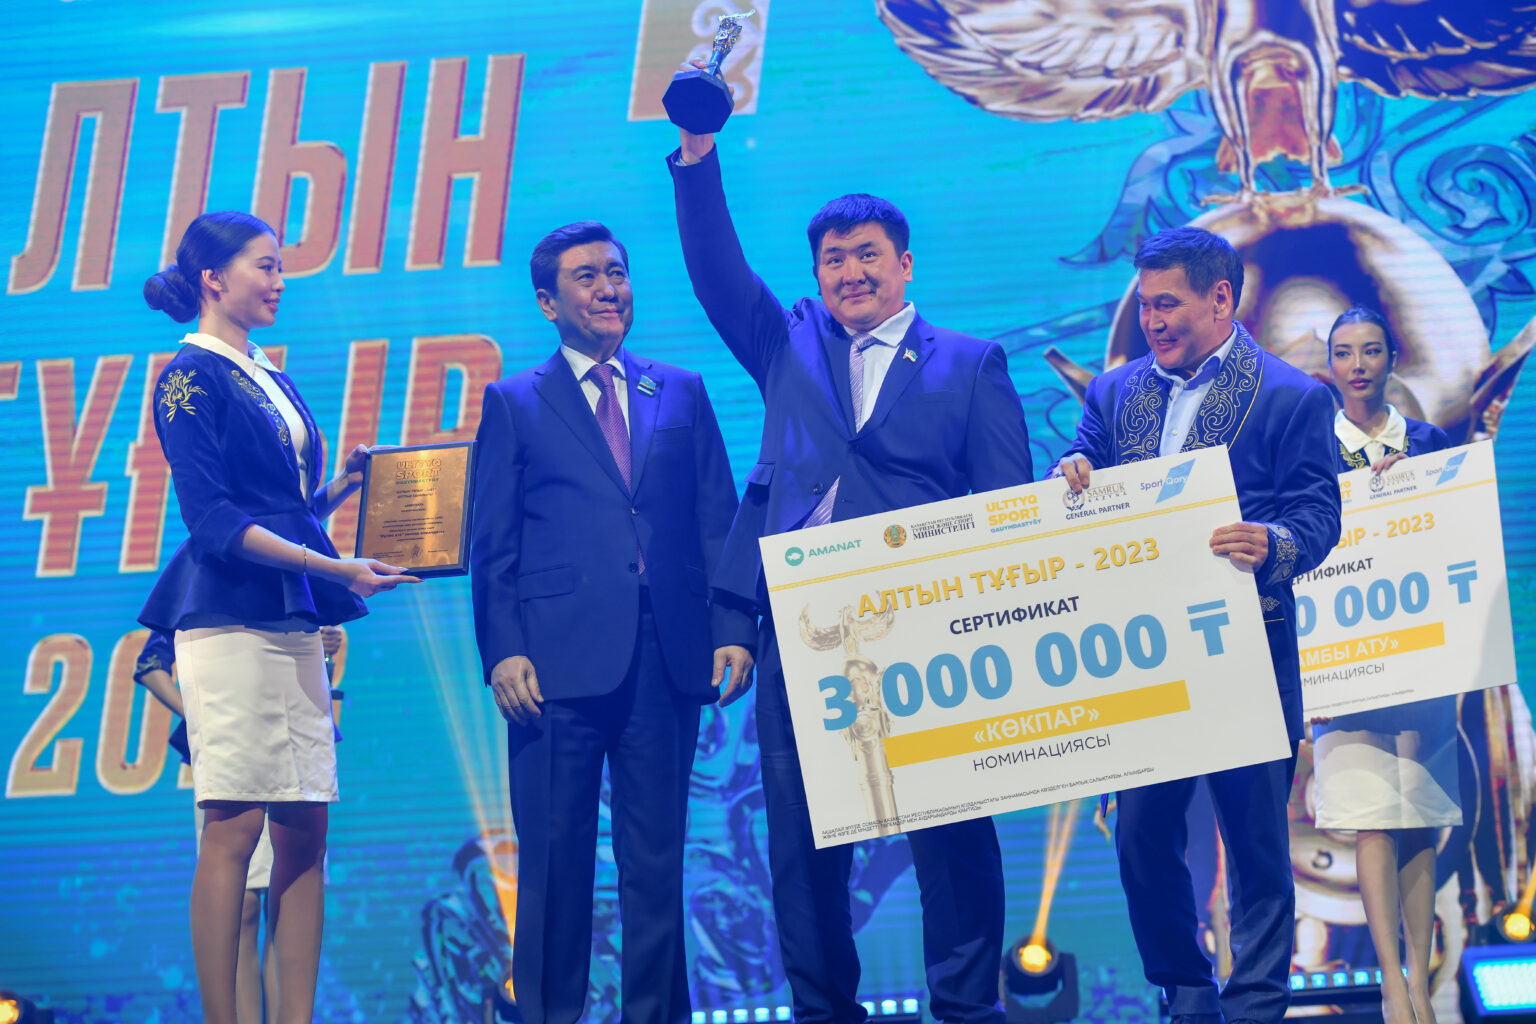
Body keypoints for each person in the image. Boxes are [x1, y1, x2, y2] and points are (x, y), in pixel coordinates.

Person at [669, 128, 1035, 1024]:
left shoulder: (971, 363)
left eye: (867, 255)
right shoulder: (787, 343)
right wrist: (697, 156)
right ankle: (823, 1010)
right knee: (802, 846)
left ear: (905, 264)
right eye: (833, 260)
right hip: (804, 631)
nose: (850, 273)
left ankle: (966, 1007)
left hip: (930, 631)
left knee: (950, 832)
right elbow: (718, 274)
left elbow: (1007, 508)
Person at [1053, 226, 1341, 1024]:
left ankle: (1256, 1004)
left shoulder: (1291, 396)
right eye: (1145, 306)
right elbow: (1080, 464)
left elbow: (1319, 515)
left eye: (1167, 304)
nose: (1152, 320)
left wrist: (1274, 543)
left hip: (1246, 655)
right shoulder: (1114, 393)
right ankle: (1185, 990)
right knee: (1141, 835)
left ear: (1221, 299)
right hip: (1146, 659)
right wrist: (1069, 474)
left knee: (1255, 846)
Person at [470, 221, 755, 1024]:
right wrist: (504, 651)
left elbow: (717, 519)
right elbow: (492, 543)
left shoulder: (680, 390)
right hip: (552, 667)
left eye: (617, 272)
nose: (608, 289)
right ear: (547, 301)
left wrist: (734, 627)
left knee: (657, 864)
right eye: (588, 276)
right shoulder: (515, 401)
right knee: (554, 864)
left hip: (666, 655)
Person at [139, 210, 417, 1024]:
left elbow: (281, 510)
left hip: (290, 622)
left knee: (304, 826)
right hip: (229, 625)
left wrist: (343, 489)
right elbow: (215, 522)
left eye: (280, 267)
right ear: (212, 279)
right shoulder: (188, 378)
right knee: (234, 825)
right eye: (264, 266)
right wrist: (336, 567)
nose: (279, 281)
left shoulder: (264, 371)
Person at [1309, 306, 1461, 1024]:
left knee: (1418, 815)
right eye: (1344, 353)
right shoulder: (1313, 449)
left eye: (1371, 351)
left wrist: (1416, 488)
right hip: (1347, 656)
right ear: (1329, 365)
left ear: (1393, 358)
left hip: (1419, 651)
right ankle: (1393, 987)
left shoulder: (1430, 444)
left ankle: (1420, 981)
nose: (1358, 365)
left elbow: (1456, 537)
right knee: (1370, 814)